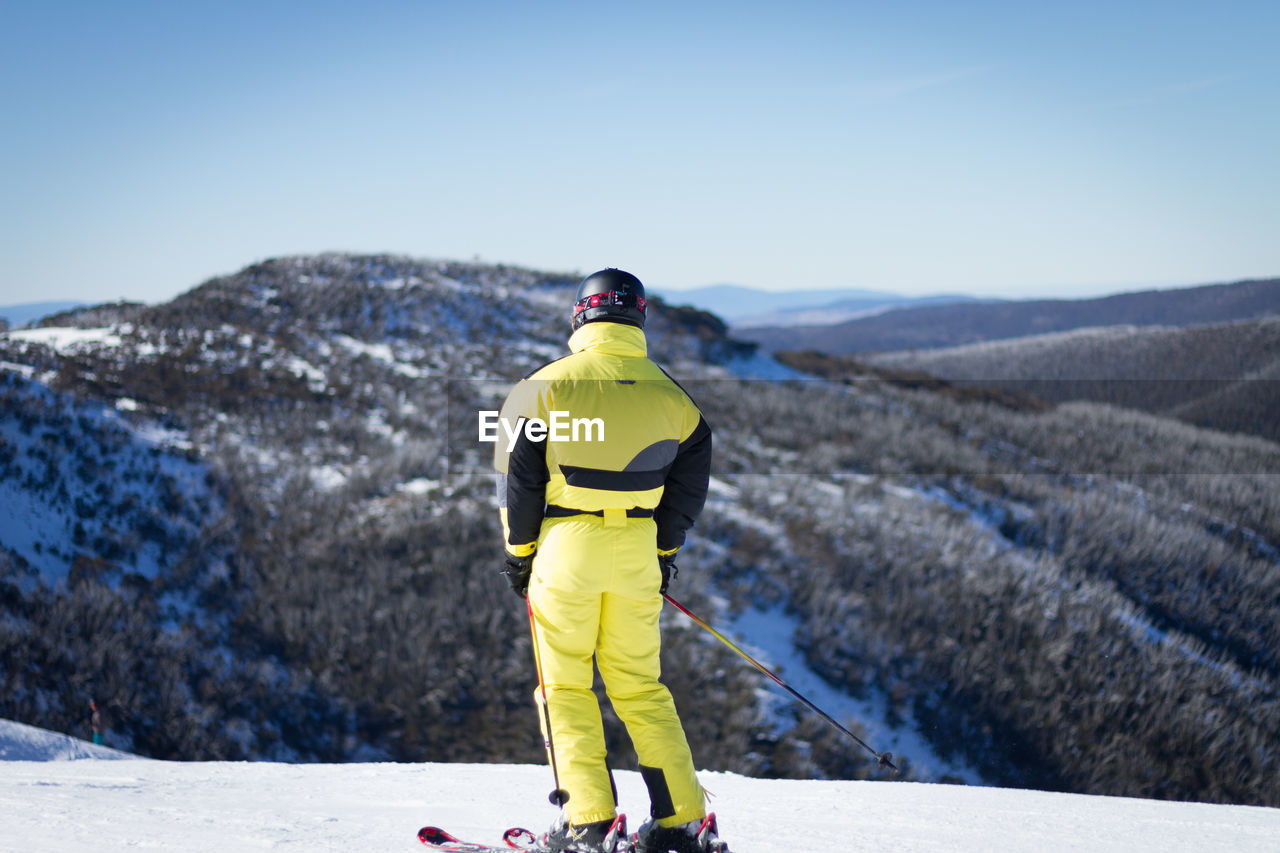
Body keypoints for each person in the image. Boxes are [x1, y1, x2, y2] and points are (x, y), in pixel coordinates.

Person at [493, 269, 721, 853]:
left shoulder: (540, 388)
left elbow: (517, 485)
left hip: (565, 547)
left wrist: (520, 555)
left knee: (565, 687)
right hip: (640, 549)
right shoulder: (675, 399)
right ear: (638, 317)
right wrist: (663, 552)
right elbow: (686, 491)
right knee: (642, 688)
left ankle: (589, 825)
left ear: (580, 316)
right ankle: (683, 822)